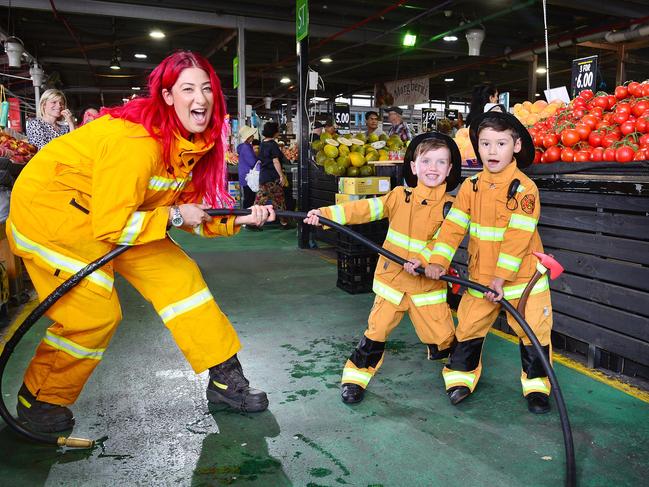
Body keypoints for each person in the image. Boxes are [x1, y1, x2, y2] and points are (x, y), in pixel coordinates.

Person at [8, 51, 275, 433]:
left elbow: (182, 209)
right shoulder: (136, 141)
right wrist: (176, 216)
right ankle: (40, 399)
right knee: (94, 316)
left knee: (180, 278)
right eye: (187, 89)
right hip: (52, 214)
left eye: (206, 89)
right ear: (167, 96)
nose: (199, 99)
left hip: (117, 215)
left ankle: (224, 379)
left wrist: (241, 218)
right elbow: (121, 222)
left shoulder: (188, 144)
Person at [303, 131, 462, 404]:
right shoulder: (399, 196)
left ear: (449, 169)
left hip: (427, 288)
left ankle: (460, 378)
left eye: (440, 162)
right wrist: (325, 215)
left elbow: (444, 242)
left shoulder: (452, 208)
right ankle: (355, 378)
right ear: (413, 166)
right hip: (392, 284)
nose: (432, 168)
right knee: (375, 333)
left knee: (444, 338)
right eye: (426, 162)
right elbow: (362, 209)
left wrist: (424, 262)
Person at [424, 111, 553, 414]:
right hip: (481, 277)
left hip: (522, 280)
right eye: (485, 144)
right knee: (469, 326)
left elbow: (517, 239)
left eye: (500, 143)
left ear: (516, 146)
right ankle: (459, 378)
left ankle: (536, 388)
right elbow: (453, 227)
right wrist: (439, 260)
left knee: (533, 332)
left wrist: (501, 278)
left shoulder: (525, 189)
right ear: (477, 147)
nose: (492, 151)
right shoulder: (471, 187)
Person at [255, 121, 291, 229]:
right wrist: (281, 175)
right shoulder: (273, 145)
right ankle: (284, 222)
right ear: (274, 132)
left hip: (263, 176)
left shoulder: (262, 144)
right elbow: (276, 161)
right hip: (272, 177)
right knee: (279, 199)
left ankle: (251, 221)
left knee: (259, 201)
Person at [237, 125, 262, 230]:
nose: (253, 136)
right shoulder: (247, 148)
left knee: (248, 198)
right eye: (251, 135)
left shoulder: (242, 147)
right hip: (249, 177)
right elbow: (252, 162)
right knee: (249, 199)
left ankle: (246, 221)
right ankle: (247, 222)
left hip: (244, 175)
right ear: (248, 137)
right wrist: (259, 159)